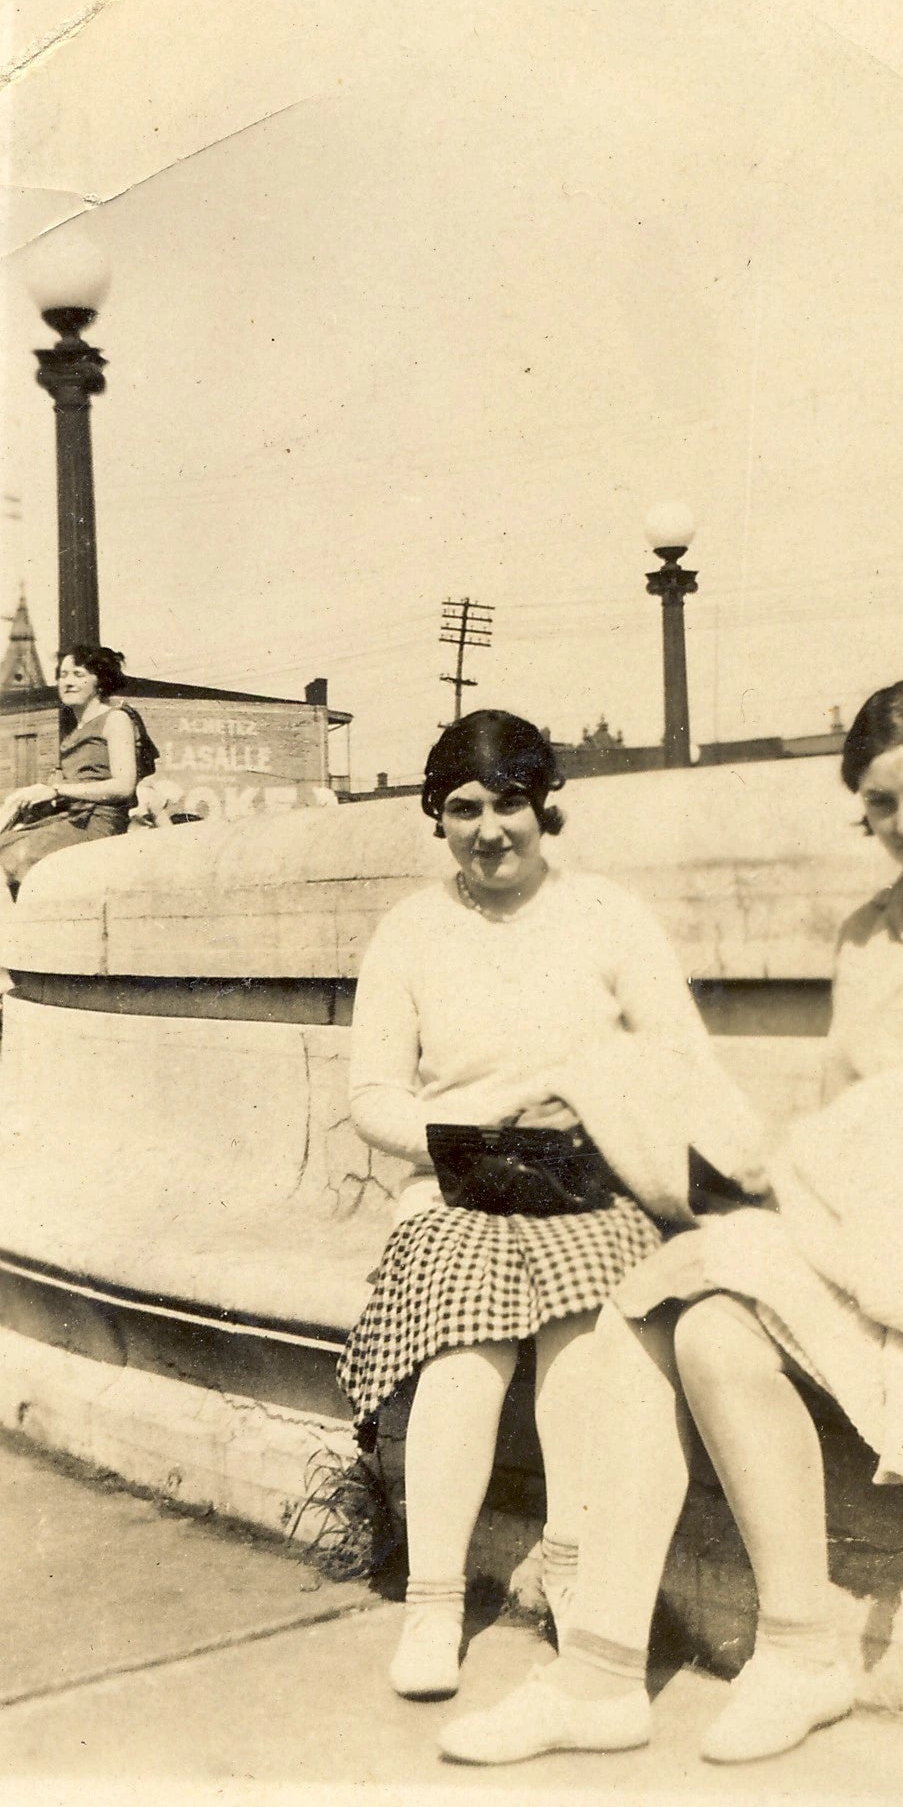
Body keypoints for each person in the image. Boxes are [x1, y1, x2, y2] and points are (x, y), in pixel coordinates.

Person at [438, 679, 903, 1769]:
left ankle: (795, 1652)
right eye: (880, 804)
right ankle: (602, 1670)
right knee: (676, 1317)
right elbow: (843, 1106)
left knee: (709, 1301)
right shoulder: (867, 928)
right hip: (886, 1219)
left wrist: (832, 1175)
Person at [336, 708, 765, 1706]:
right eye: (464, 808)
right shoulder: (409, 931)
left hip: (585, 1176)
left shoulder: (606, 914)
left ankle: (571, 1566)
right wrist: (467, 1132)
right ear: (436, 816)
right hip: (460, 1185)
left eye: (511, 804)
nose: (490, 829)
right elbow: (370, 1098)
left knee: (592, 1334)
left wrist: (586, 1094)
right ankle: (433, 1598)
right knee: (463, 1347)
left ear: (544, 806)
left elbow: (680, 1057)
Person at [0, 644, 156, 899]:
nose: (68, 682)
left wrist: (57, 789)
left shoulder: (116, 720)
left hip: (97, 822)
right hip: (70, 818)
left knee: (13, 858)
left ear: (100, 681)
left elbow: (123, 786)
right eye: (63, 675)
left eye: (78, 675)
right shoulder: (76, 730)